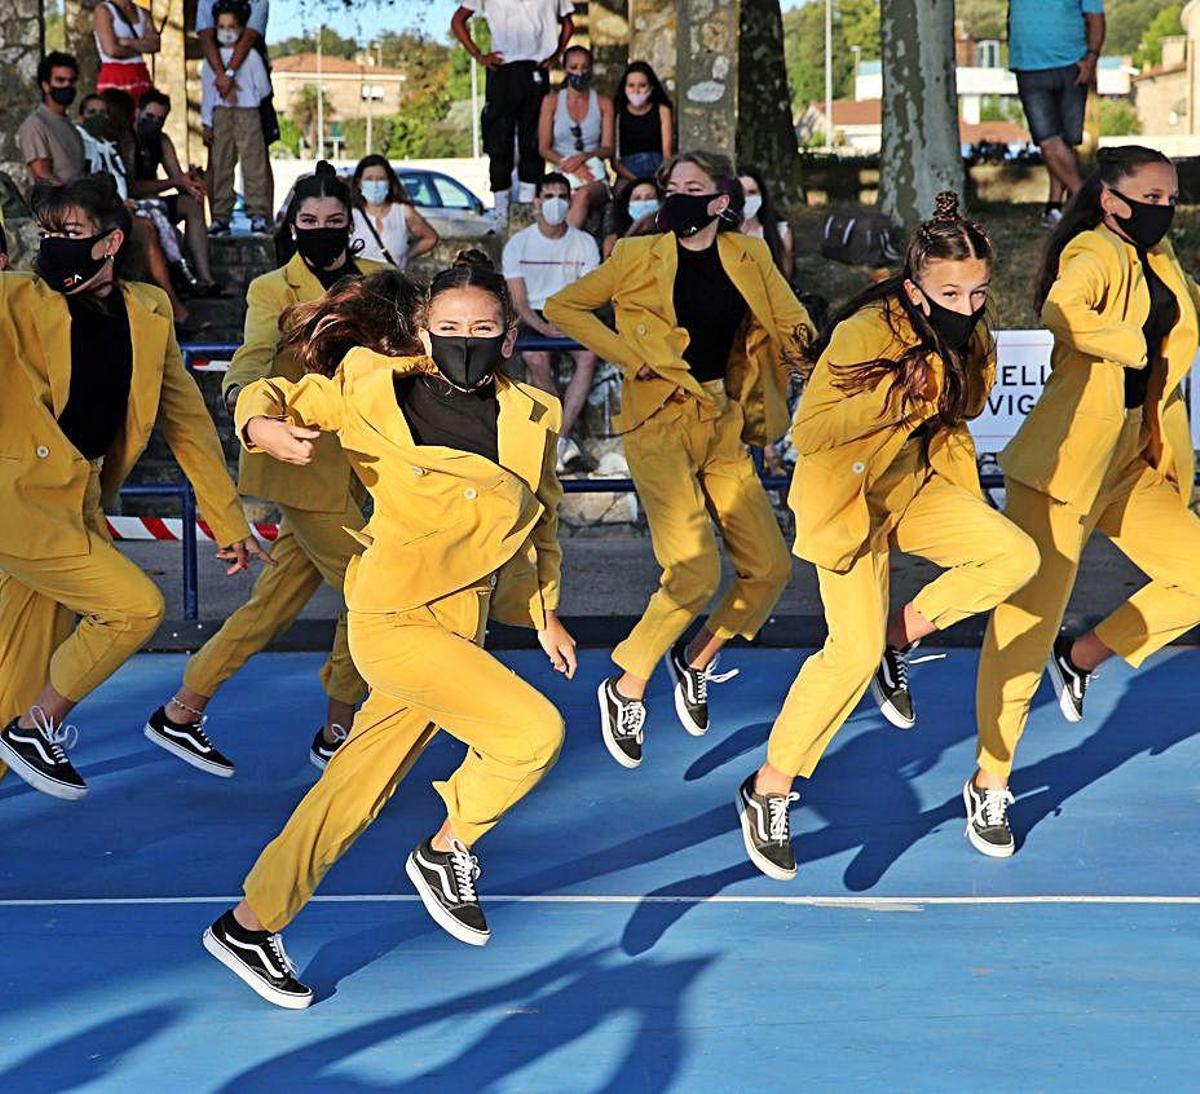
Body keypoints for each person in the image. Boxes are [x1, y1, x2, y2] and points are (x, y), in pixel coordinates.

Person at [202, 255, 575, 1009]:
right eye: (447, 328)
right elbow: (281, 391)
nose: (463, 339)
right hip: (396, 616)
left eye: (481, 328)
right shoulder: (373, 386)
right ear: (421, 332)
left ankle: (250, 924)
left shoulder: (534, 413)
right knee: (532, 733)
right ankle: (448, 849)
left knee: (354, 789)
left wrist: (545, 612)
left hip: (460, 621)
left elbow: (542, 521)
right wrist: (259, 423)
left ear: (507, 337)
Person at [732, 193, 1040, 881]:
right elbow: (808, 433)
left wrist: (953, 365)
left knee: (1013, 555)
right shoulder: (869, 331)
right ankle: (768, 789)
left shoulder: (975, 331)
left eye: (979, 291)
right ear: (914, 286)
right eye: (950, 291)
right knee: (847, 652)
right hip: (848, 496)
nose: (967, 303)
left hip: (916, 486)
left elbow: (966, 405)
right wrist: (900, 392)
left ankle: (896, 640)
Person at [0, 174, 268, 801]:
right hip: (18, 504)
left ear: (110, 241)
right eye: (47, 235)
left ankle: (23, 724)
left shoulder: (148, 314)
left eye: (69, 234)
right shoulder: (13, 299)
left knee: (15, 677)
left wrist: (228, 522)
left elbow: (188, 425)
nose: (53, 246)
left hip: (81, 505)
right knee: (135, 607)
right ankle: (41, 727)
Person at [546, 149, 813, 764]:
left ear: (722, 201)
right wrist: (624, 352)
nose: (679, 195)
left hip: (724, 419)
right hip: (658, 421)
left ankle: (694, 659)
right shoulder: (637, 256)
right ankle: (627, 684)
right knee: (693, 571)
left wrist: (823, 366)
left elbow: (789, 322)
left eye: (694, 187)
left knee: (770, 569)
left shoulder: (752, 255)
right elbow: (564, 308)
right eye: (673, 186)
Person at [973, 146, 1200, 856]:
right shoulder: (1091, 251)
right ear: (1111, 199)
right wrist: (1130, 346)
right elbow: (1061, 309)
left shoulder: (1162, 264)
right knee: (1022, 629)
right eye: (1152, 195)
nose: (1165, 206)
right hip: (1065, 469)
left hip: (1132, 461)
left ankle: (1084, 658)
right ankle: (989, 781)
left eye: (1172, 196)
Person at [150, 162, 389, 775]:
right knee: (374, 590)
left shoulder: (381, 282)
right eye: (309, 221)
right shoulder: (270, 290)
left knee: (270, 606)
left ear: (352, 222)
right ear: (290, 225)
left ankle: (181, 709)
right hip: (301, 469)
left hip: (364, 470)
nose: (323, 230)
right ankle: (341, 727)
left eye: (335, 221)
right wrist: (250, 414)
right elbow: (251, 362)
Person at [503, 172, 600, 471]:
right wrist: (543, 328)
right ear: (537, 202)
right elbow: (518, 302)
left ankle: (559, 436)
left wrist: (566, 323)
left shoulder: (585, 243)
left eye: (561, 196)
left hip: (570, 311)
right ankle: (559, 436)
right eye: (549, 196)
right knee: (535, 357)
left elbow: (588, 295)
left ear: (570, 201)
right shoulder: (518, 244)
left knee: (588, 356)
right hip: (532, 313)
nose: (555, 203)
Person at [451, 0, 574, 220]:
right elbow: (458, 20)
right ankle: (500, 210)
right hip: (502, 66)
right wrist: (479, 55)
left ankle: (528, 204)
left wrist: (556, 55)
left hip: (536, 66)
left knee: (533, 138)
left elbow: (568, 23)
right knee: (499, 139)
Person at [1009, 0, 1106, 227]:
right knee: (1048, 141)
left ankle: (1054, 208)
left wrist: (1091, 59)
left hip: (1072, 66)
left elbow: (1096, 17)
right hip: (1028, 66)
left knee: (1065, 142)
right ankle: (1088, 203)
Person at [129, 90, 223, 293]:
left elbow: (179, 178)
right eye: (150, 117)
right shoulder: (128, 139)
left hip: (155, 202)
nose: (154, 123)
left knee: (192, 202)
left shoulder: (161, 140)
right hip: (132, 205)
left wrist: (192, 182)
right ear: (138, 112)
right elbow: (132, 186)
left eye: (160, 119)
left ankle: (205, 278)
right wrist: (176, 181)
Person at [201, 0, 273, 236]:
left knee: (254, 164)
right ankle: (221, 216)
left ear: (241, 28)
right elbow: (208, 95)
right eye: (222, 26)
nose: (227, 31)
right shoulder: (211, 62)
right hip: (221, 115)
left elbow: (263, 89)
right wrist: (207, 123)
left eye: (232, 26)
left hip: (248, 113)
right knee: (221, 163)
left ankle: (258, 214)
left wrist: (240, 92)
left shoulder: (251, 58)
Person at [538, 45, 614, 229]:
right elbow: (544, 148)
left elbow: (608, 147)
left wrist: (583, 158)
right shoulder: (551, 102)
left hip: (593, 173)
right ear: (565, 68)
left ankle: (566, 245)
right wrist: (570, 165)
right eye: (573, 67)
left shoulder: (604, 103)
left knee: (583, 195)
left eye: (584, 67)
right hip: (562, 171)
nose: (579, 72)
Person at [349, 154, 439, 268]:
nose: (375, 184)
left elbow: (430, 238)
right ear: (359, 183)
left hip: (394, 282)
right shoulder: (351, 215)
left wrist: (405, 257)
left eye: (381, 179)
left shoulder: (403, 212)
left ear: (389, 182)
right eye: (369, 179)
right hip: (360, 283)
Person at [18, 51, 85, 186]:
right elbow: (43, 175)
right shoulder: (35, 125)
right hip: (56, 205)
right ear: (46, 85)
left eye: (71, 81)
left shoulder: (70, 126)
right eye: (60, 80)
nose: (67, 85)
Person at [613, 60, 672, 189]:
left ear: (651, 87)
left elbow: (667, 154)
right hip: (627, 173)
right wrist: (636, 180)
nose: (636, 90)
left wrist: (659, 177)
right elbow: (615, 161)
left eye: (642, 85)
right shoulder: (618, 113)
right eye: (631, 85)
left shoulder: (662, 111)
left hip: (657, 171)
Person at [92, 0, 160, 106]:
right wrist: (141, 47)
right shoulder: (104, 11)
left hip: (140, 75)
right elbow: (111, 50)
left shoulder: (143, 13)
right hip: (114, 76)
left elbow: (155, 45)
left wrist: (127, 42)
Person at [738, 166, 793, 280]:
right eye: (741, 193)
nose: (746, 199)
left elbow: (786, 279)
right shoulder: (722, 234)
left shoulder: (780, 232)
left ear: (762, 194)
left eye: (752, 192)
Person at [601, 176, 661, 259]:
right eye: (637, 198)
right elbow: (610, 268)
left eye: (649, 198)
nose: (643, 202)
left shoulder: (668, 236)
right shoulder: (612, 241)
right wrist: (634, 229)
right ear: (627, 206)